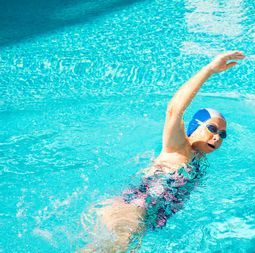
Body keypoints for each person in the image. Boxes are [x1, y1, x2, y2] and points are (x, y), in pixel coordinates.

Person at [80, 51, 246, 252]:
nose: (217, 137)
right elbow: (174, 109)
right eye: (212, 128)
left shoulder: (196, 159)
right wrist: (209, 70)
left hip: (141, 216)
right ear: (194, 127)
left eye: (222, 134)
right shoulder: (178, 148)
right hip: (130, 210)